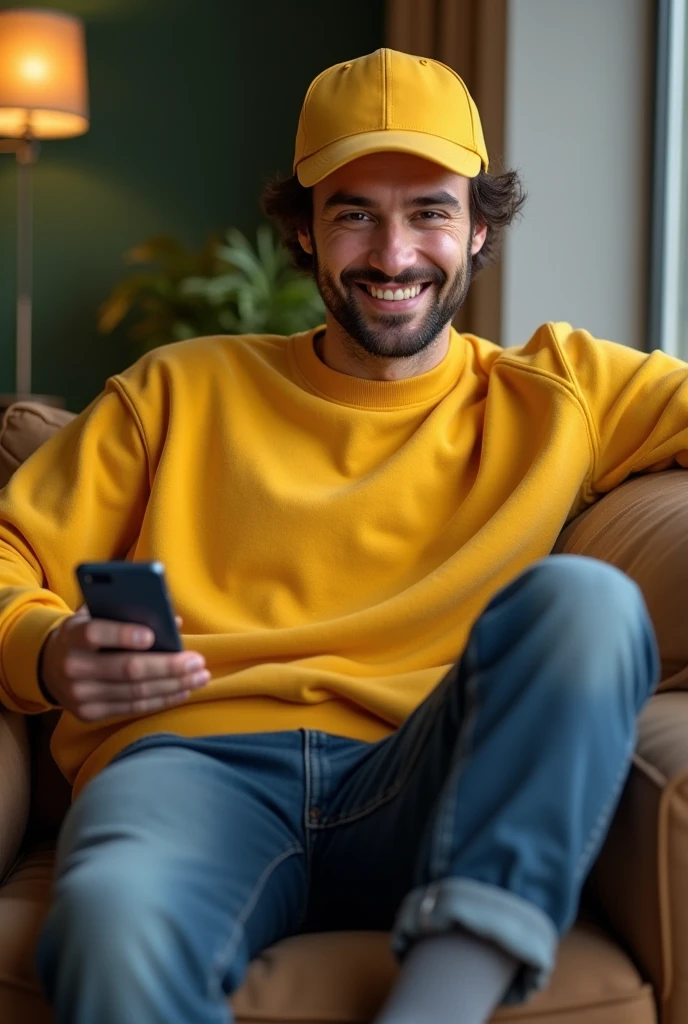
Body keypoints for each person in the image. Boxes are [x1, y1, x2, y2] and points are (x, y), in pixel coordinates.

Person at [1, 46, 684, 1024]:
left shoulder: (560, 389)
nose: (393, 254)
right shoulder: (176, 391)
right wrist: (48, 647)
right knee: (114, 924)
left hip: (429, 771)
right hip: (194, 766)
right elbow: (9, 555)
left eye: (430, 211)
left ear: (481, 227)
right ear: (303, 231)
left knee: (590, 603)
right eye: (355, 211)